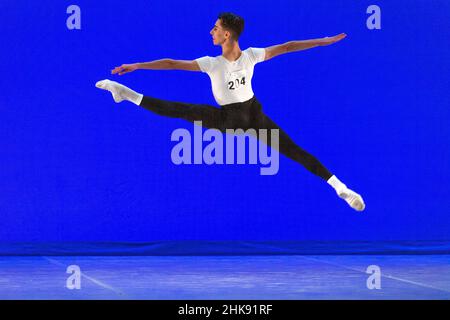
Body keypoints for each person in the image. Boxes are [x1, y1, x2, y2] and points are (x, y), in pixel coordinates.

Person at [96, 12, 365, 211]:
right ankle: (126, 94)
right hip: (230, 118)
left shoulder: (248, 56)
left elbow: (288, 46)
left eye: (215, 28)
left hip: (254, 116)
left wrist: (322, 41)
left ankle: (341, 188)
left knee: (294, 150)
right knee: (180, 109)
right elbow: (170, 64)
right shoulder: (212, 63)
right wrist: (138, 66)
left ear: (227, 34)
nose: (211, 32)